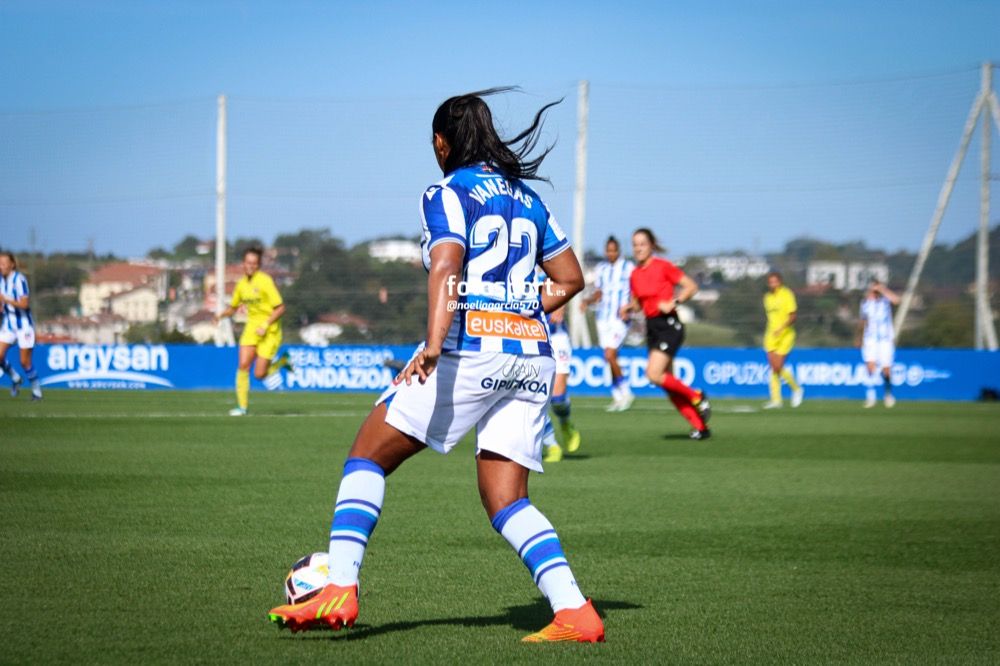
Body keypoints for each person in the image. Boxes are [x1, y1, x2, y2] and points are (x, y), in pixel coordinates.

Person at [267, 88, 604, 643]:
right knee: (507, 499)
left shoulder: (446, 192)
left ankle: (340, 586)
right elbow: (570, 279)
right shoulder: (528, 198)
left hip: (471, 350)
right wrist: (516, 307)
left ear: (442, 143)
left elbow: (447, 265)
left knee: (367, 455)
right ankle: (575, 611)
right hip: (532, 358)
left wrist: (432, 342)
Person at [620, 228, 711, 439]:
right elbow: (638, 303)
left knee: (653, 374)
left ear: (651, 246)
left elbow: (691, 287)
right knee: (667, 383)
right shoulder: (634, 274)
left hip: (669, 325)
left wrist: (674, 302)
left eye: (642, 244)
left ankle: (697, 396)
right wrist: (628, 308)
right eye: (635, 244)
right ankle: (700, 427)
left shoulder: (663, 266)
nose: (638, 248)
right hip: (652, 328)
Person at [214, 246, 289, 416]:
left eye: (254, 263)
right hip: (251, 329)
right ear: (243, 263)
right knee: (243, 366)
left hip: (270, 330)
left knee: (259, 374)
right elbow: (233, 308)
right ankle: (242, 407)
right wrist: (221, 315)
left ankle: (283, 362)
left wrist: (265, 325)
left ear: (258, 265)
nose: (250, 266)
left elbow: (280, 308)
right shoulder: (241, 285)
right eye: (248, 262)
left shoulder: (265, 281)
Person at [581, 236, 635, 411]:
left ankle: (626, 391)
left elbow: (636, 291)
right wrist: (588, 301)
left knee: (610, 355)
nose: (610, 253)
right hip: (603, 318)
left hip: (620, 318)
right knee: (609, 357)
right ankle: (617, 397)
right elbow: (599, 293)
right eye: (608, 250)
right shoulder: (601, 268)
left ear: (618, 251)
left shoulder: (628, 267)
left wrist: (630, 308)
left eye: (613, 250)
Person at [541, 302, 580, 463]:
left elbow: (566, 287)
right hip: (526, 337)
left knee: (557, 399)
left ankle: (565, 421)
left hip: (556, 336)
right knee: (533, 399)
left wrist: (560, 305)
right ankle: (552, 446)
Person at [0, 252, 42, 400]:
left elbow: (24, 304)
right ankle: (15, 378)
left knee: (24, 362)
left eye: (3, 263)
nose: (1, 266)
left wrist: (6, 300)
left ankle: (36, 391)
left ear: (12, 264)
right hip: (8, 325)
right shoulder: (1, 281)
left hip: (24, 326)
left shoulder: (19, 279)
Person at [762, 271, 804, 409]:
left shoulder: (787, 294)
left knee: (778, 367)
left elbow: (793, 316)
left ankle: (796, 389)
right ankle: (776, 400)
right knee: (773, 368)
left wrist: (782, 328)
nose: (773, 284)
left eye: (775, 281)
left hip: (785, 335)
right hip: (771, 335)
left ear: (780, 282)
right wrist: (773, 330)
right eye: (770, 282)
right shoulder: (767, 297)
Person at [858, 279, 900, 408]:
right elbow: (863, 321)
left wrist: (882, 289)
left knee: (886, 369)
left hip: (885, 339)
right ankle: (871, 397)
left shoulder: (885, 301)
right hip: (870, 339)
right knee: (870, 366)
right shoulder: (865, 303)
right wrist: (859, 338)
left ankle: (888, 394)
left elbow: (897, 300)